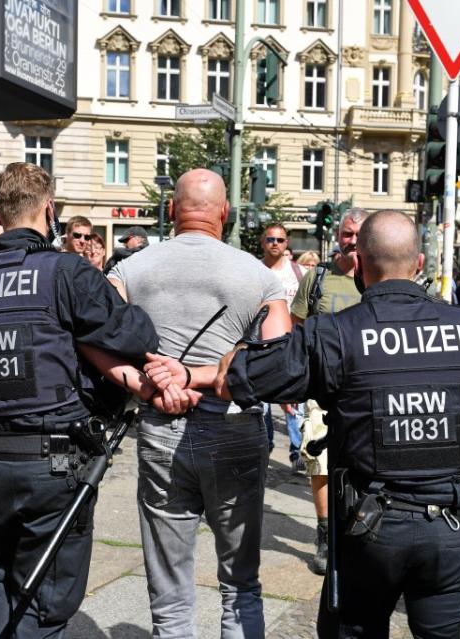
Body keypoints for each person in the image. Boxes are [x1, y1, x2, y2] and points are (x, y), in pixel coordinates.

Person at [216, 210, 460, 638]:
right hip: (454, 532)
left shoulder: (335, 333)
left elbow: (237, 379)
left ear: (358, 263)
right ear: (420, 264)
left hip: (370, 532)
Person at [0, 162, 159, 637]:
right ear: (49, 210)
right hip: (52, 468)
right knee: (42, 602)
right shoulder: (65, 272)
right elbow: (133, 334)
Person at [109, 168, 291, 638]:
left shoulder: (130, 269)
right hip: (234, 428)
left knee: (169, 595)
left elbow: (95, 337)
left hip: (161, 428)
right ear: (225, 214)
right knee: (241, 584)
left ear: (171, 211)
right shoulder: (259, 276)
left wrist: (145, 386)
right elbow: (280, 364)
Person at [289, 208, 367, 576]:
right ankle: (325, 534)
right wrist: (291, 380)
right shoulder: (317, 278)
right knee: (319, 464)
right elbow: (297, 332)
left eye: (358, 235)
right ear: (338, 235)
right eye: (346, 234)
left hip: (365, 389)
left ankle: (360, 530)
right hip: (321, 389)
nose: (351, 240)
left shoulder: (376, 278)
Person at [259, 223, 306, 471]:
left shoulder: (298, 273)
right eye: (270, 239)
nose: (275, 243)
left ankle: (297, 452)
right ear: (262, 243)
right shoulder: (253, 270)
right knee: (261, 406)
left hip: (291, 347)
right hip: (260, 348)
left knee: (292, 403)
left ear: (287, 243)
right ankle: (264, 448)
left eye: (280, 240)